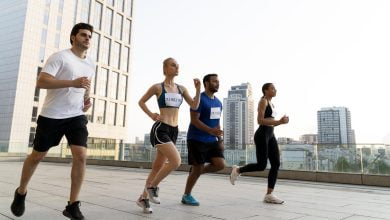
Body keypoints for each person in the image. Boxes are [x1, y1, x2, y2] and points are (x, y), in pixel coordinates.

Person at [10, 23, 95, 220]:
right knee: (37, 156)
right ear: (73, 37)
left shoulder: (91, 63)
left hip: (76, 115)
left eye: (90, 36)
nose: (87, 38)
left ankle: (72, 205)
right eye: (83, 35)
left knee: (81, 155)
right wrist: (72, 83)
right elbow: (42, 81)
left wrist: (86, 99)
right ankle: (21, 191)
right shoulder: (60, 57)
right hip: (52, 115)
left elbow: (86, 86)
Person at [136, 58, 201, 213]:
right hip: (160, 129)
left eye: (178, 65)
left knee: (157, 167)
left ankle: (143, 198)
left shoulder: (181, 89)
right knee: (176, 161)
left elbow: (194, 105)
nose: (177, 67)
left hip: (174, 130)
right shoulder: (158, 87)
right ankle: (152, 187)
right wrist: (151, 114)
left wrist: (198, 90)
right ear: (165, 68)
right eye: (173, 65)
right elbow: (141, 102)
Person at [229, 83, 289, 204]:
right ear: (266, 90)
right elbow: (260, 120)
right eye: (272, 88)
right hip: (262, 135)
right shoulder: (263, 101)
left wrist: (281, 122)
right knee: (261, 165)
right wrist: (279, 121)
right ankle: (238, 170)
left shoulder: (272, 103)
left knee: (276, 164)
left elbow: (271, 121)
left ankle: (269, 194)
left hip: (270, 135)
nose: (275, 90)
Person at [181, 73, 225, 206]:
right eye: (214, 81)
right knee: (198, 167)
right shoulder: (199, 99)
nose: (217, 83)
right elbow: (194, 120)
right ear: (206, 83)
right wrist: (211, 131)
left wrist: (220, 139)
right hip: (196, 139)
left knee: (220, 165)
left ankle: (196, 171)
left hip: (212, 140)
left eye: (218, 81)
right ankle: (186, 195)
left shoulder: (218, 102)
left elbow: (216, 122)